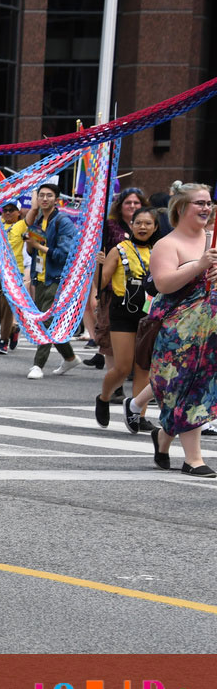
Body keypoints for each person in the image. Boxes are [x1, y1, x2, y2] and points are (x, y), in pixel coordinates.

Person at [145, 184, 217, 477]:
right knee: (183, 391)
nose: (206, 208)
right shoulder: (167, 244)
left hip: (209, 332)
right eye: (199, 203)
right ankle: (194, 459)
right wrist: (199, 265)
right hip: (178, 336)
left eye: (209, 203)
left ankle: (163, 438)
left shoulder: (213, 241)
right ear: (181, 208)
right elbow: (163, 284)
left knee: (199, 390)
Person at [95, 207, 158, 428]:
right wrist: (98, 265)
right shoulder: (119, 249)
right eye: (138, 223)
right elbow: (100, 285)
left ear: (155, 227)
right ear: (131, 226)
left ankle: (138, 416)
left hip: (149, 313)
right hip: (122, 311)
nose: (143, 227)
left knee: (144, 367)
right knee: (122, 367)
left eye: (148, 223)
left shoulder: (159, 251)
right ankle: (103, 398)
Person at [24, 183, 81, 379]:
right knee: (50, 323)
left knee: (45, 322)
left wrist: (37, 246)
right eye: (42, 196)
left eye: (49, 196)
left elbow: (65, 254)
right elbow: (31, 251)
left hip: (56, 279)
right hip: (39, 278)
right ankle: (70, 357)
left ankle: (38, 365)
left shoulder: (62, 222)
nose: (45, 199)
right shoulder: (39, 220)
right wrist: (31, 244)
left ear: (57, 199)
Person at [0, 201, 26, 355]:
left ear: (19, 212)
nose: (8, 213)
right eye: (5, 210)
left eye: (12, 210)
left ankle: (3, 341)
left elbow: (34, 211)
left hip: (13, 272)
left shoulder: (22, 225)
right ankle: (13, 328)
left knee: (8, 306)